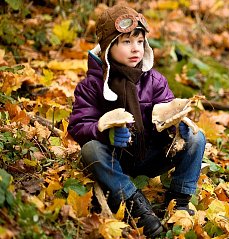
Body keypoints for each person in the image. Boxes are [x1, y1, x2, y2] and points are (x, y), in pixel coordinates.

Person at [67, 4, 206, 237]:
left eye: (140, 42)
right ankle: (134, 203)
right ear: (109, 46)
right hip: (115, 158)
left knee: (195, 137)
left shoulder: (155, 80)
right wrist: (105, 132)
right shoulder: (92, 85)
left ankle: (179, 201)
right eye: (126, 42)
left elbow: (166, 109)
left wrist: (174, 125)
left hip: (149, 154)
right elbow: (78, 125)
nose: (136, 49)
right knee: (90, 150)